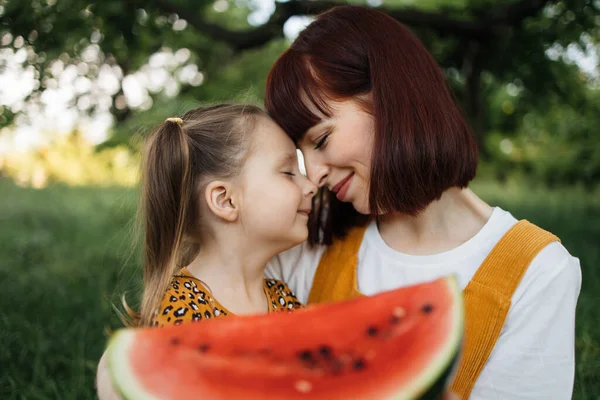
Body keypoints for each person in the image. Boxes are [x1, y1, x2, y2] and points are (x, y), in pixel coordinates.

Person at [263, 5, 582, 399]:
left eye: (322, 140)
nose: (314, 175)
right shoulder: (305, 248)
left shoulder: (538, 272)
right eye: (300, 152)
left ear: (389, 97)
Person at [96, 104, 316, 399]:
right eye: (288, 172)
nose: (311, 185)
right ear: (225, 200)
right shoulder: (180, 316)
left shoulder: (284, 299)